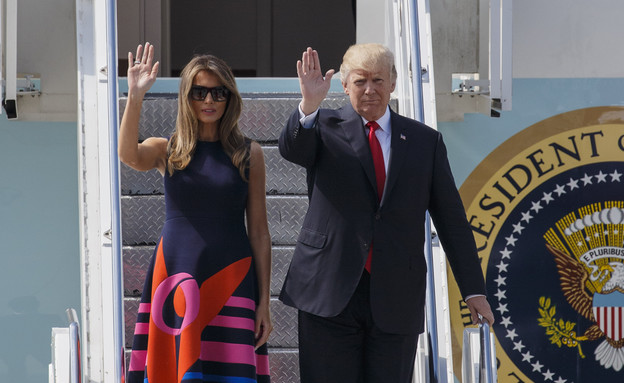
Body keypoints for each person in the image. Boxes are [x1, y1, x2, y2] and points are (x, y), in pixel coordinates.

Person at [278, 44, 495, 383]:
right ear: (345, 85)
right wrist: (309, 104)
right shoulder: (322, 126)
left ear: (393, 83)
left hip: (396, 296)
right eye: (360, 81)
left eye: (378, 79)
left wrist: (473, 290)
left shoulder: (425, 142)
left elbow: (451, 219)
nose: (370, 89)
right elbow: (292, 149)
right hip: (329, 291)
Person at [120, 43, 272, 383]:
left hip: (232, 277)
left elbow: (260, 232)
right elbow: (128, 155)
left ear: (230, 97)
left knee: (228, 373)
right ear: (186, 96)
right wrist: (135, 96)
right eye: (199, 92)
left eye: (218, 93)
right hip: (177, 274)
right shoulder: (167, 149)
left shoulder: (250, 153)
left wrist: (264, 302)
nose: (208, 101)